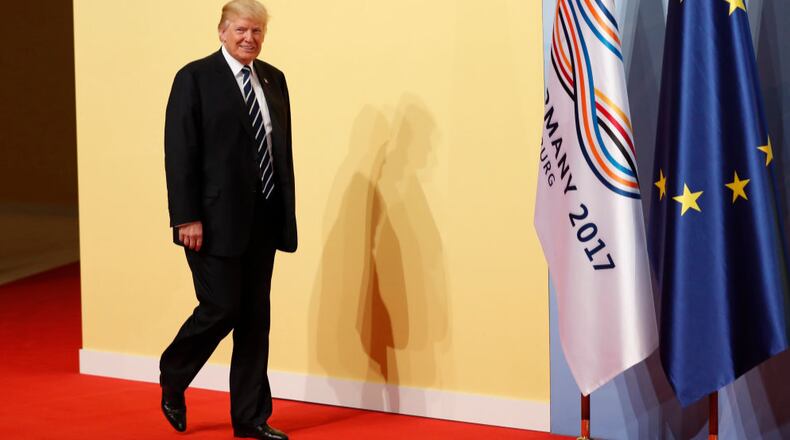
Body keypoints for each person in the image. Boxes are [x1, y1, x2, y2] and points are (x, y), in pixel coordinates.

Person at [160, 0, 296, 438]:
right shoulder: (195, 78)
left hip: (264, 218)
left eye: (257, 31)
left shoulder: (274, 80)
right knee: (221, 307)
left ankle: (251, 417)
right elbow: (181, 152)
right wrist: (186, 217)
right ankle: (174, 373)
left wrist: (285, 212)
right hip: (213, 222)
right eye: (240, 29)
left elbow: (279, 152)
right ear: (221, 31)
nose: (249, 38)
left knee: (255, 318)